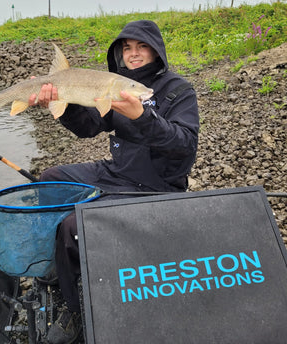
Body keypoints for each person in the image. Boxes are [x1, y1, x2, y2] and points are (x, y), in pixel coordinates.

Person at [29, 20, 199, 344]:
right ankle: (64, 266)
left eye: (141, 47)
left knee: (72, 226)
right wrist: (63, 104)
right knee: (49, 180)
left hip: (154, 186)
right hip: (117, 171)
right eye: (127, 48)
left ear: (156, 50)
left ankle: (76, 312)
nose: (133, 54)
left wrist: (143, 117)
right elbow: (89, 127)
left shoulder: (179, 90)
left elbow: (184, 144)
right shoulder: (116, 84)